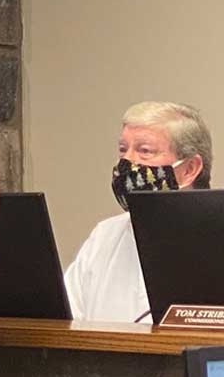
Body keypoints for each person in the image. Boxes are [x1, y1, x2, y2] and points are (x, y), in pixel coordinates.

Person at [65, 101, 212, 323]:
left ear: (189, 169)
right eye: (123, 149)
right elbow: (67, 321)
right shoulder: (104, 236)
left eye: (144, 151)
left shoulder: (214, 239)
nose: (127, 161)